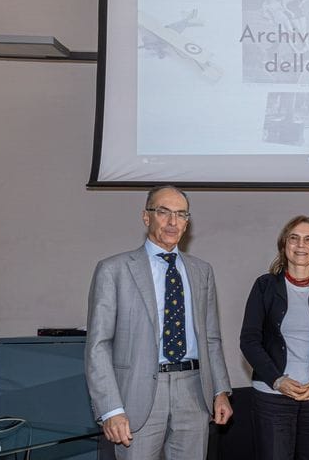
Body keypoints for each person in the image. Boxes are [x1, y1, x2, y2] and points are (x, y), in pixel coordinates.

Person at [85, 186, 233, 459]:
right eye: (163, 212)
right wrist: (111, 409)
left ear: (188, 222)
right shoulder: (113, 270)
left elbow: (211, 338)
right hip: (136, 396)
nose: (172, 222)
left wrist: (220, 391)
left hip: (194, 392)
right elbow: (98, 346)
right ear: (146, 217)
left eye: (180, 214)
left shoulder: (202, 271)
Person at [240, 215, 309, 459]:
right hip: (272, 397)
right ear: (284, 245)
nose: (301, 245)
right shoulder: (264, 285)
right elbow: (249, 340)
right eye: (294, 238)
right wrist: (277, 380)